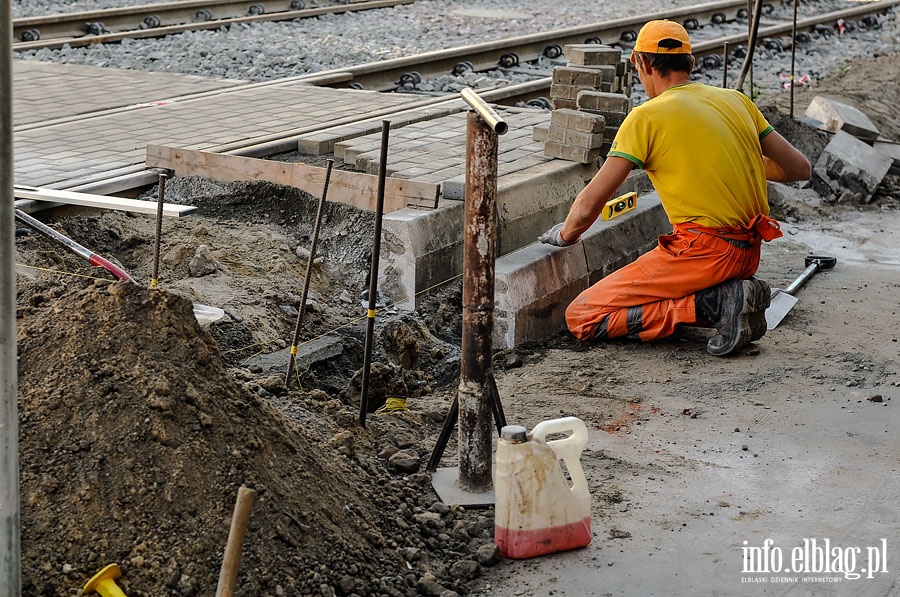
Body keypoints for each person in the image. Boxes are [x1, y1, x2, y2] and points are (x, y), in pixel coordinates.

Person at [539, 19, 811, 356]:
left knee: (583, 315)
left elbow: (589, 204)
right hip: (747, 253)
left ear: (643, 63)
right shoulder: (737, 101)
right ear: (691, 63)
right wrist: (731, 165)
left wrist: (565, 235)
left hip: (702, 253)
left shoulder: (646, 117)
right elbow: (799, 168)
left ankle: (714, 306)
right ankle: (727, 298)